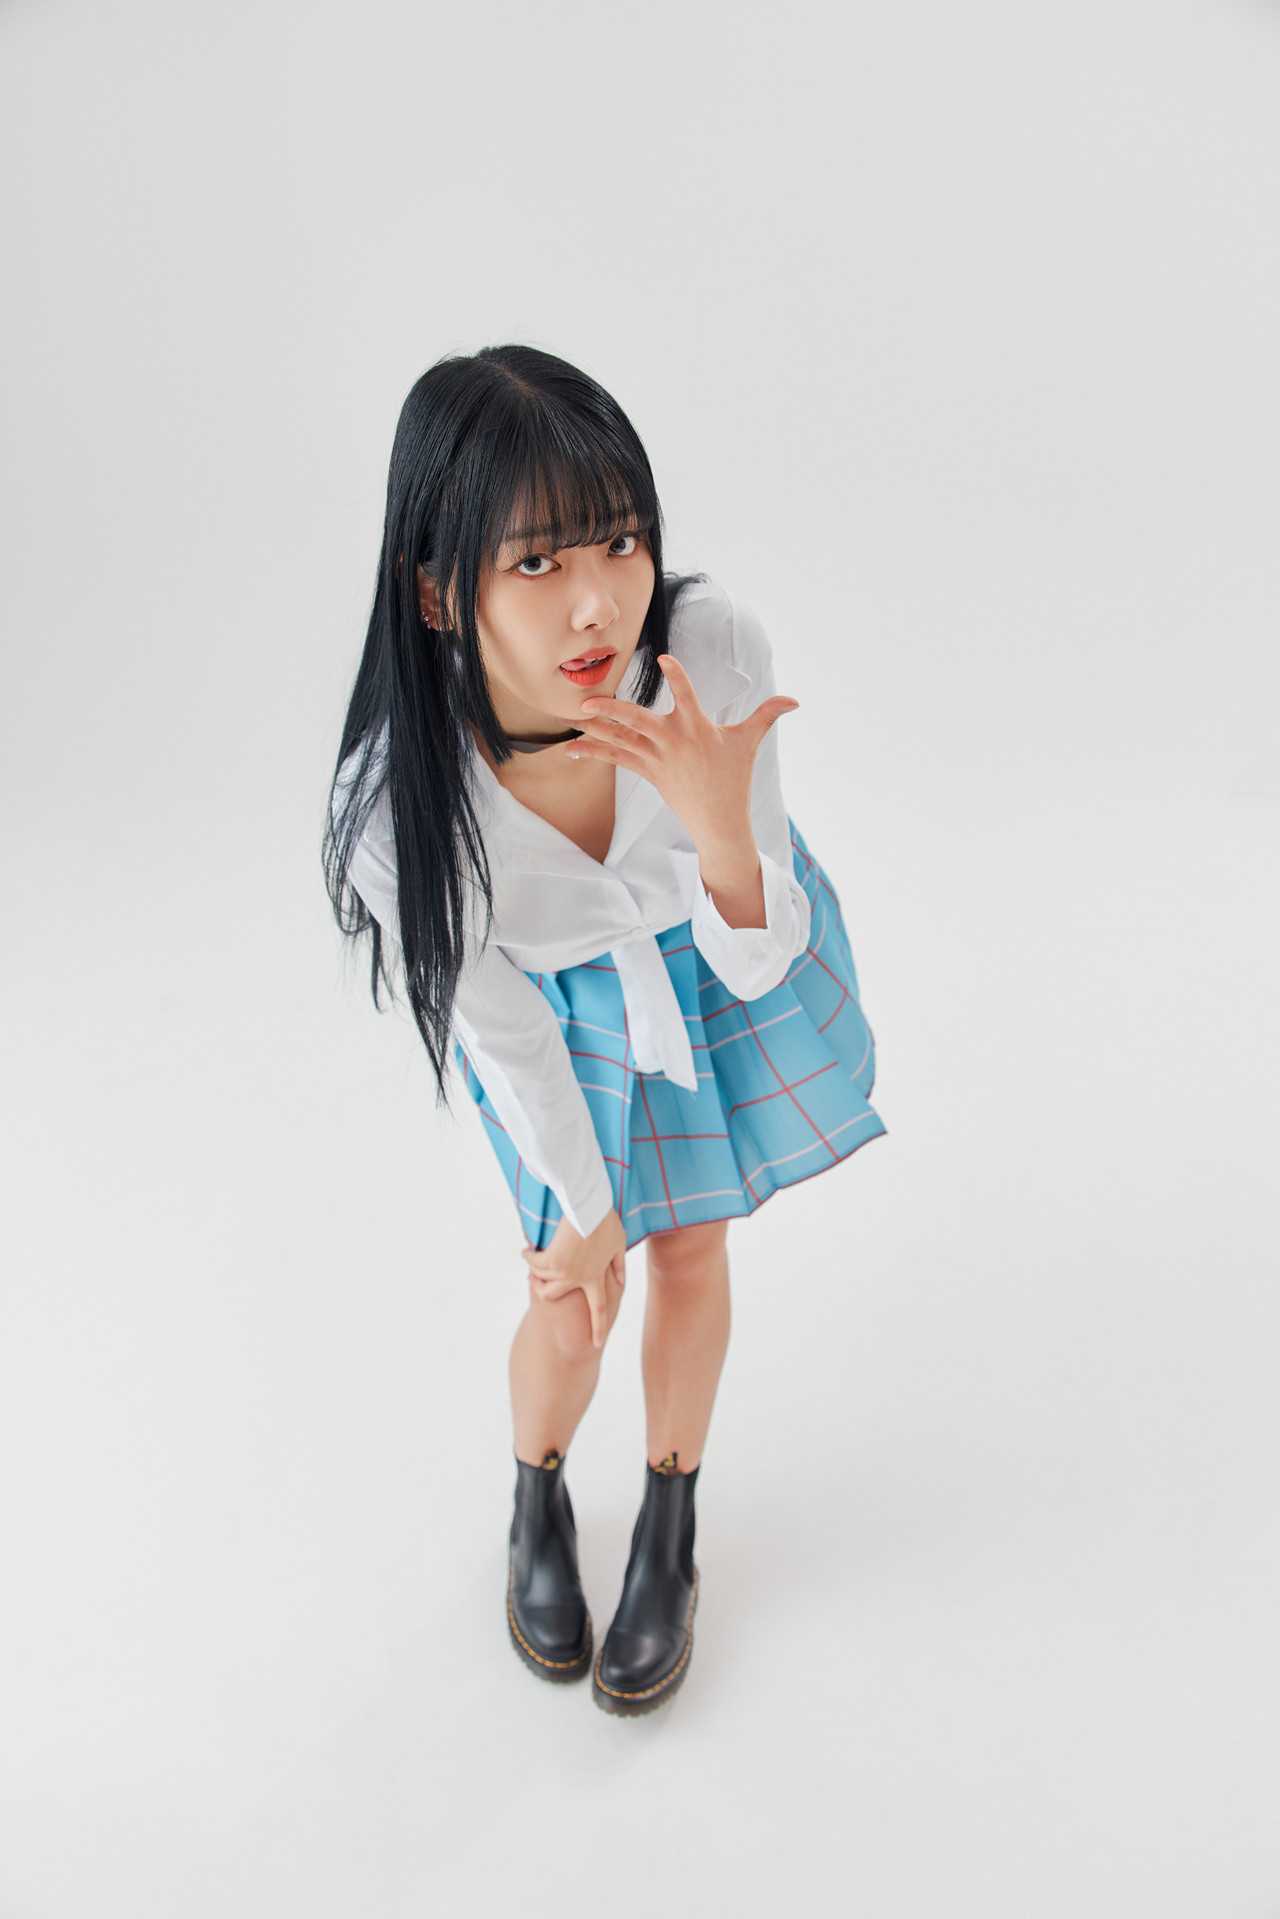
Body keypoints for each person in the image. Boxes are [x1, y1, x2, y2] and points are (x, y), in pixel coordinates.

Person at [323, 343, 888, 1717]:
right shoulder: (396, 805)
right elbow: (502, 1029)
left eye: (621, 542)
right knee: (572, 1296)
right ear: (435, 591)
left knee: (691, 1247)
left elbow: (757, 957)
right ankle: (537, 1496)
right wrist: (585, 1208)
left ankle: (671, 1522)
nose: (598, 602)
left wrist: (714, 826)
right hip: (550, 1011)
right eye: (537, 562)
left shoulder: (708, 651)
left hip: (713, 947)